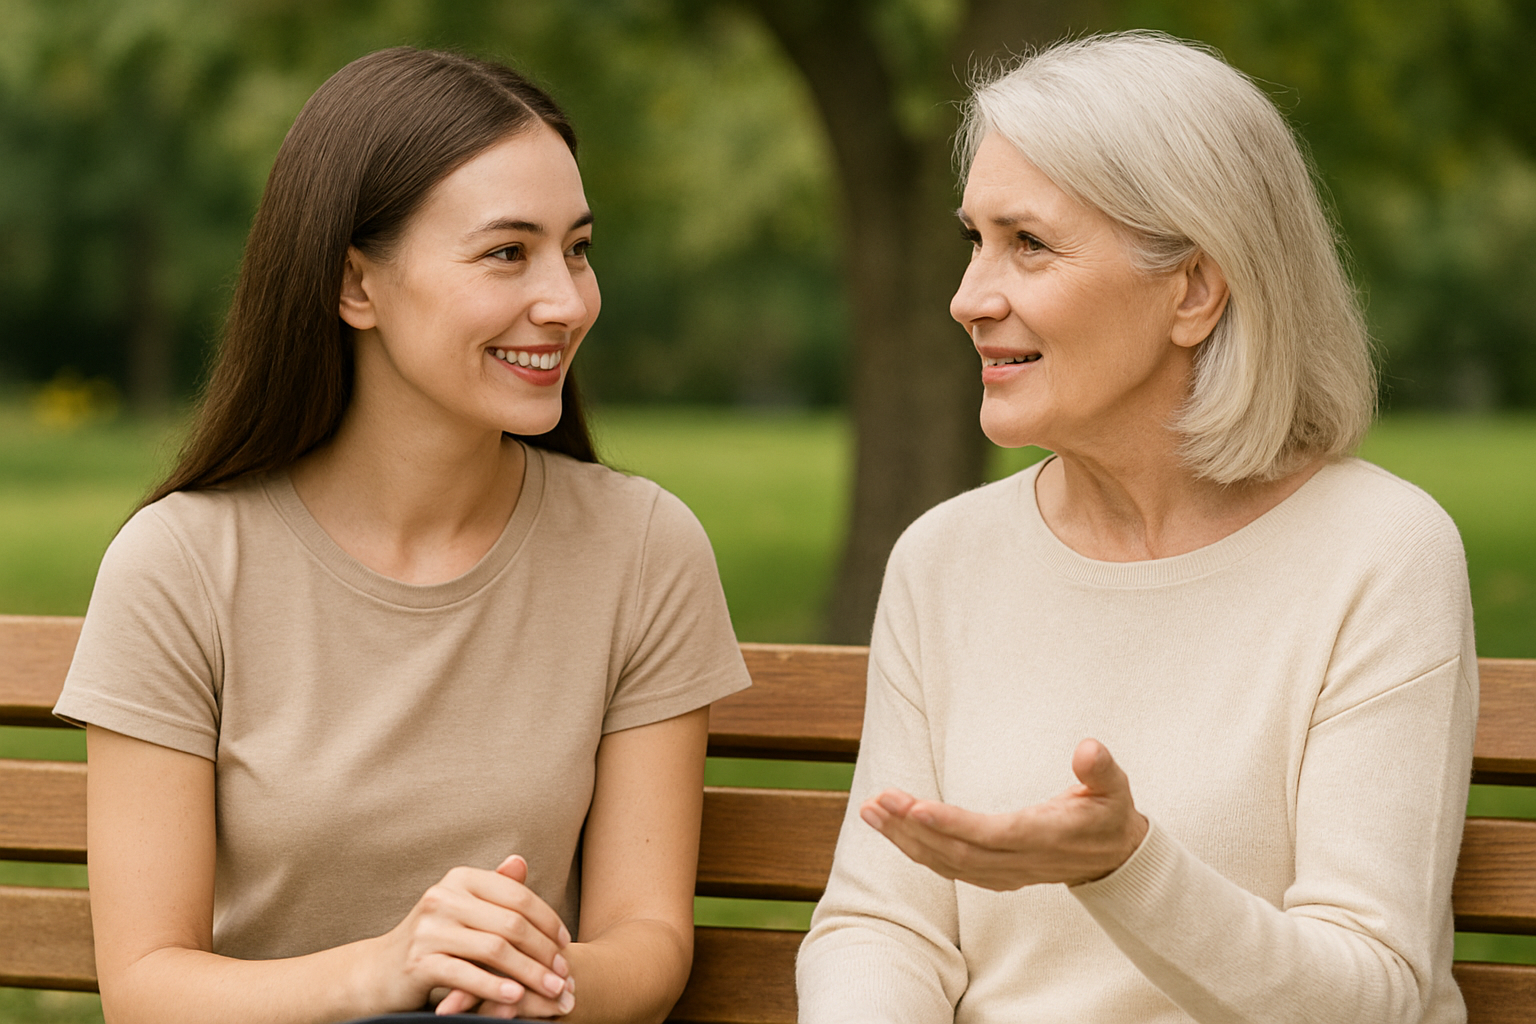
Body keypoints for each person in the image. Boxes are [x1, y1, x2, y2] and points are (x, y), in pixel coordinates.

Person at [53, 47, 751, 1024]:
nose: (567, 299)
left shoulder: (642, 548)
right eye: (509, 252)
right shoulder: (181, 565)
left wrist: (518, 979)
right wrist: (389, 970)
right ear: (356, 286)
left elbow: (648, 941)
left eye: (578, 248)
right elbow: (146, 985)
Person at [797, 31, 1476, 1024]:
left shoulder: (1379, 553)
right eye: (972, 239)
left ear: (1193, 290)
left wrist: (1126, 865)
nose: (969, 297)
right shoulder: (944, 559)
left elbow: (1368, 993)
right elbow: (882, 924)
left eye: (1026, 243)